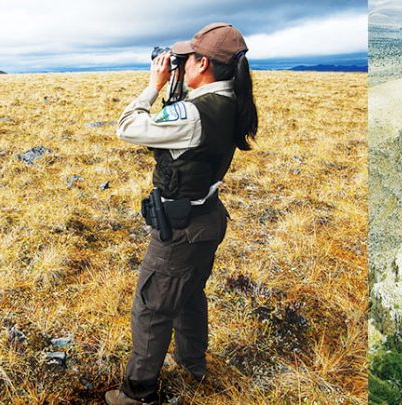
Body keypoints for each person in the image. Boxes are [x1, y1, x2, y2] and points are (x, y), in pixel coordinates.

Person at [105, 22, 258, 405]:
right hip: (207, 219)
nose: (180, 64)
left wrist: (154, 85)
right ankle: (192, 365)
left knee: (152, 307)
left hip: (182, 229)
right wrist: (177, 84)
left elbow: (127, 127)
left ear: (202, 62)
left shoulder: (192, 114)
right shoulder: (229, 100)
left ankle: (138, 393)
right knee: (188, 294)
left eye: (186, 58)